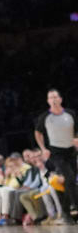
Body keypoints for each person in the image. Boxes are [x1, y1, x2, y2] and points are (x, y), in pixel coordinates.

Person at [34, 89, 77, 221]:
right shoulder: (45, 117)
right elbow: (37, 133)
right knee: (68, 177)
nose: (53, 99)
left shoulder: (71, 114)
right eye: (50, 97)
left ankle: (66, 213)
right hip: (56, 152)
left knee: (69, 181)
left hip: (71, 151)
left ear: (60, 99)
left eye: (55, 97)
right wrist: (42, 148)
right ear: (48, 101)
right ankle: (75, 205)